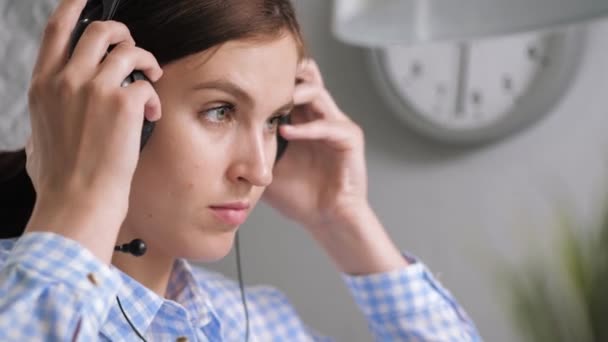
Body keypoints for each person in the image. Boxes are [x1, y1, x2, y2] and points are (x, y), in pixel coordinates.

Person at [0, 0, 482, 340]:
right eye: (220, 111)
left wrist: (343, 218)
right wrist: (79, 203)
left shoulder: (261, 324)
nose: (260, 170)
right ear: (104, 100)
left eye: (275, 120)